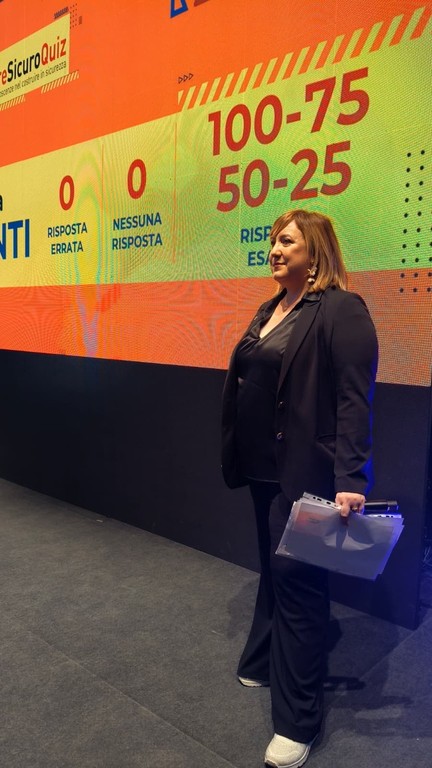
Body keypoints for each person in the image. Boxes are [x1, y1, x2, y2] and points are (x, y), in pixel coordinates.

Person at [221, 208, 378, 768]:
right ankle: (264, 659)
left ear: (315, 252)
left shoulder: (341, 309)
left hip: (307, 475)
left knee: (300, 587)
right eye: (272, 240)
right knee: (275, 570)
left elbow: (354, 399)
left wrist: (351, 478)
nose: (275, 249)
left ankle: (297, 723)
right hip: (263, 470)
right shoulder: (270, 308)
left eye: (287, 241)